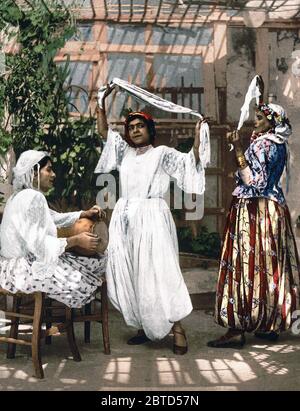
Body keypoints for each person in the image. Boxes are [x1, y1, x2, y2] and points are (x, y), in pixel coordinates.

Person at [94, 86, 207, 354]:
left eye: (140, 126)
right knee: (133, 272)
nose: (134, 130)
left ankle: (177, 328)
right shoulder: (124, 153)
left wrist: (198, 135)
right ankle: (144, 326)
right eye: (131, 126)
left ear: (150, 130)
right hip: (126, 219)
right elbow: (102, 132)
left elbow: (193, 161)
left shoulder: (162, 154)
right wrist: (101, 101)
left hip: (153, 218)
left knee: (161, 271)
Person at [207, 102, 300, 348]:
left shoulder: (263, 143)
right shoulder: (279, 144)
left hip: (254, 211)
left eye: (260, 118)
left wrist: (237, 148)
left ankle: (236, 329)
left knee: (244, 264)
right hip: (273, 211)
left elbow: (254, 182)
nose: (255, 121)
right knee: (268, 266)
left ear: (272, 121)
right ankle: (268, 324)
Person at [0, 150, 106, 308]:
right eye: (49, 169)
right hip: (23, 272)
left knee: (85, 264)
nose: (54, 174)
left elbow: (52, 217)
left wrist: (83, 213)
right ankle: (69, 322)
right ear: (35, 173)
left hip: (7, 270)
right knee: (93, 268)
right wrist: (76, 240)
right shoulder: (34, 197)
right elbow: (40, 246)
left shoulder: (18, 196)